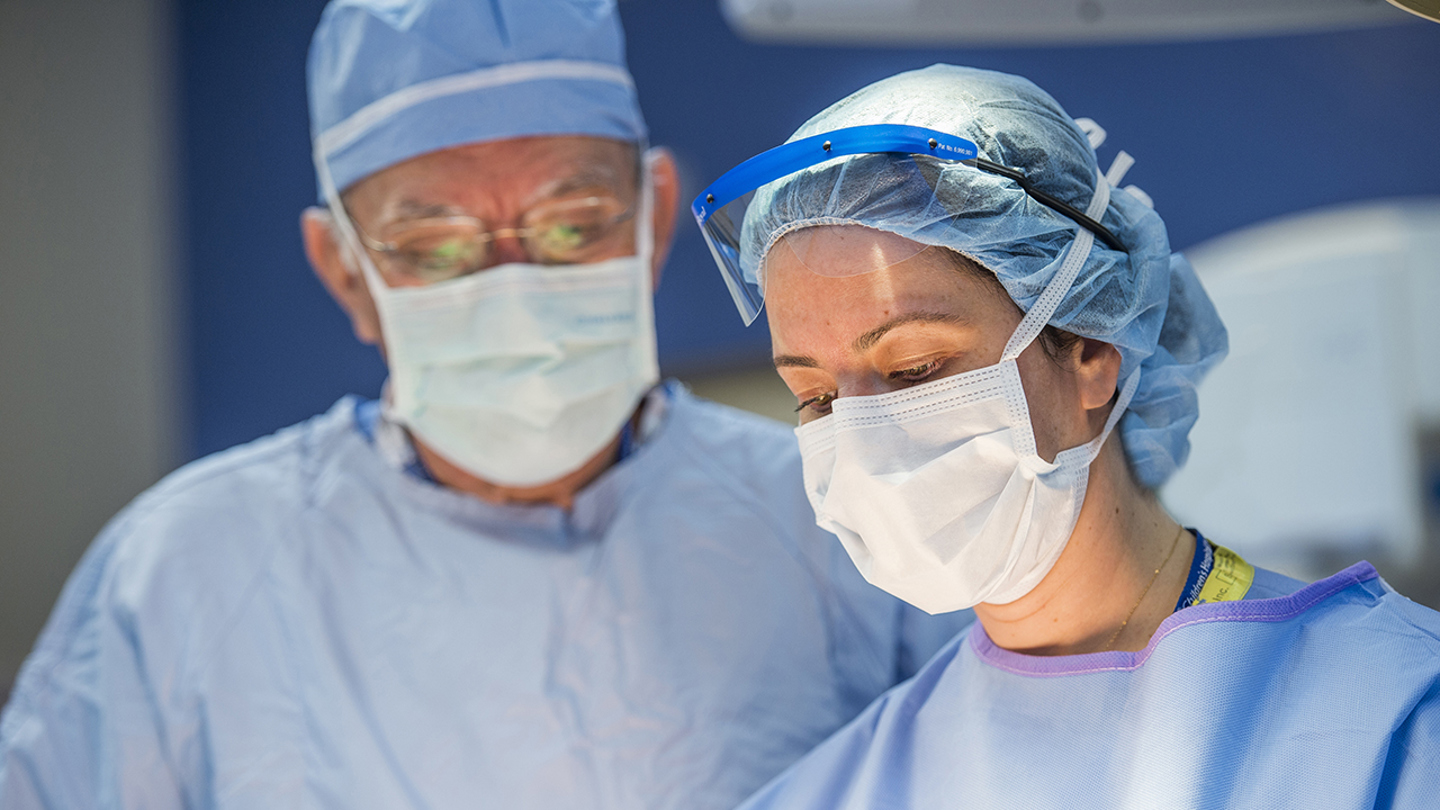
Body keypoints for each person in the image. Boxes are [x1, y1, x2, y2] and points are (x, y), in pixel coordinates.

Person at [0, 5, 973, 807]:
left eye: (571, 226)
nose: (514, 283)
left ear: (654, 216)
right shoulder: (185, 573)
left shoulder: (845, 527)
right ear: (344, 272)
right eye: (438, 248)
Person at [693, 64, 1440, 808]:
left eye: (914, 369)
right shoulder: (840, 790)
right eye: (815, 397)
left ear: (1090, 350)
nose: (860, 440)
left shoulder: (1391, 722)